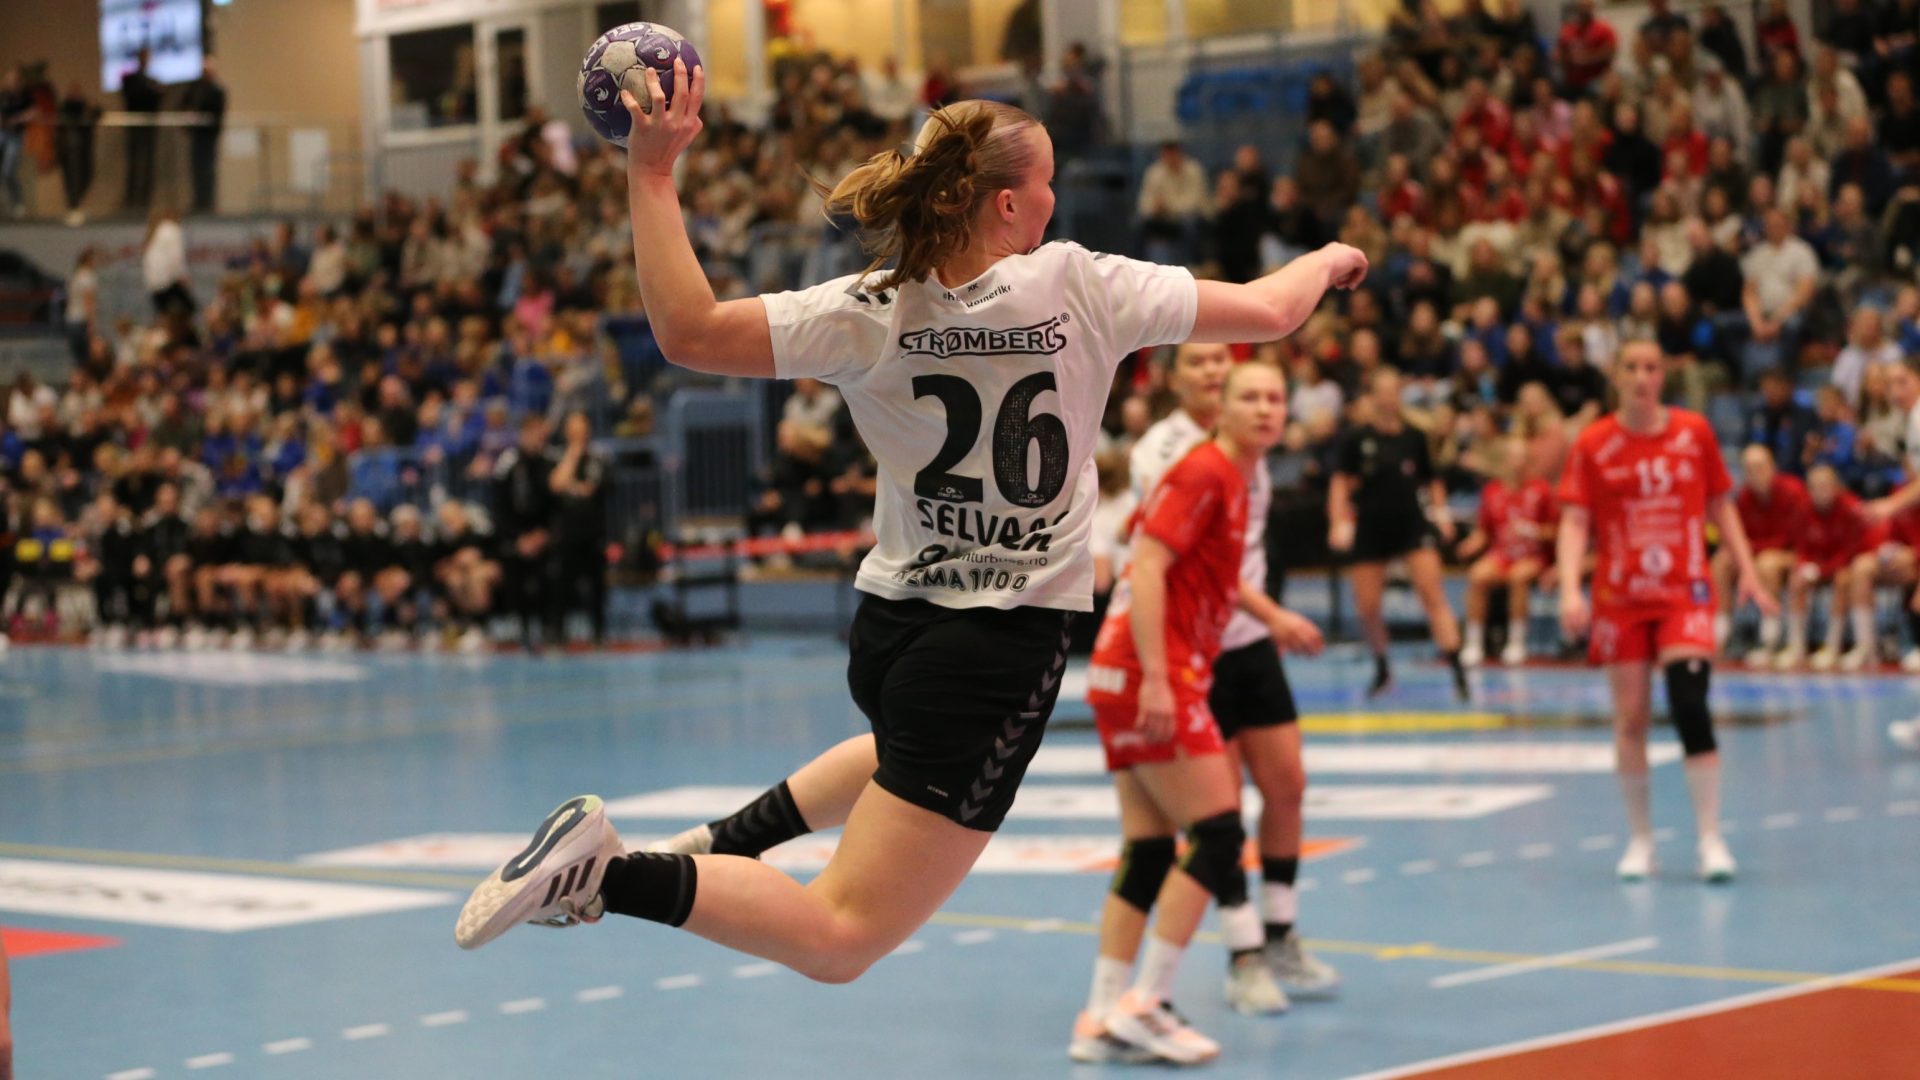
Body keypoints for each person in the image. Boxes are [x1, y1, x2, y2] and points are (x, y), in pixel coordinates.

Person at [452, 62, 1370, 999]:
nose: (1056, 199)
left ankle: (723, 841)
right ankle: (604, 874)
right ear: (1008, 205)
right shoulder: (1083, 284)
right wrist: (1329, 259)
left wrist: (651, 176)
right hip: (999, 642)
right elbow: (1271, 309)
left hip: (892, 626)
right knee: (840, 938)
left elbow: (688, 332)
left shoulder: (869, 305)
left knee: (900, 755)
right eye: (1047, 181)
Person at [1075, 362, 1293, 1064]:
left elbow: (1211, 575)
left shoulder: (1237, 478)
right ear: (1218, 407)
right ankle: (1148, 1003)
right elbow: (1147, 564)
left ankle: (1101, 1014)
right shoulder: (1205, 471)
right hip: (1150, 670)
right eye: (1249, 397)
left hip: (1124, 671)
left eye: (1275, 398)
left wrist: (1273, 617)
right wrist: (1160, 682)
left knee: (1148, 850)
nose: (1264, 409)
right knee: (1219, 833)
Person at [1118, 344, 1337, 1015]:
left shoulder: (1250, 454)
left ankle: (1279, 933)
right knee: (1217, 813)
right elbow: (1173, 559)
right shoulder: (1172, 454)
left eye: (1222, 360)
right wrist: (1271, 615)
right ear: (1175, 377)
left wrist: (1266, 619)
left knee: (1287, 783)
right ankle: (1242, 955)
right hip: (1193, 647)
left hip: (1244, 641)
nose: (1212, 371)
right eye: (1199, 362)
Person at [1557, 341, 1777, 884]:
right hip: (1620, 597)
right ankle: (1641, 841)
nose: (1642, 377)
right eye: (1631, 368)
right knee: (1631, 719)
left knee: (1690, 704)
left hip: (1684, 590)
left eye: (1652, 367)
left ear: (1663, 376)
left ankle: (1710, 839)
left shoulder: (1693, 432)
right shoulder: (1593, 443)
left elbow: (1721, 504)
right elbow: (1575, 521)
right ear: (1615, 375)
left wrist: (1747, 570)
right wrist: (1568, 589)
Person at [1328, 366, 1467, 699]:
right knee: (1367, 606)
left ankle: (1457, 668)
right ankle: (1381, 667)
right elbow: (1340, 483)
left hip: (1411, 524)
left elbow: (1432, 481)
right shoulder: (1356, 439)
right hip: (1370, 526)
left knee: (1432, 592)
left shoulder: (1414, 437)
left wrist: (1442, 516)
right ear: (1373, 395)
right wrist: (1338, 522)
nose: (1388, 398)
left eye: (1394, 391)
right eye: (1383, 391)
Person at [1458, 438, 1557, 667]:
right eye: (1513, 457)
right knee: (1477, 575)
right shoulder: (1492, 490)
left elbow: (1556, 531)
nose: (1517, 463)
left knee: (1518, 577)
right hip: (1501, 554)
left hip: (1533, 555)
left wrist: (1534, 531)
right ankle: (1473, 642)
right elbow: (1483, 532)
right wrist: (1468, 546)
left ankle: (1516, 642)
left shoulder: (1541, 490)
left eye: (1521, 457)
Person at [1716, 445, 1805, 665]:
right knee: (1722, 562)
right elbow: (1737, 537)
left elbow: (1792, 538)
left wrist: (1753, 549)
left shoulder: (1793, 491)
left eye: (1759, 467)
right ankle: (1719, 633)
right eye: (1748, 468)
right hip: (1759, 554)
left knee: (1768, 563)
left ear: (1772, 467)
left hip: (1795, 555)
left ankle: (1769, 640)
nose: (1754, 473)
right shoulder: (1744, 497)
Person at [1776, 464, 1870, 670]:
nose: (1821, 491)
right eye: (1816, 486)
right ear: (1809, 489)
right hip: (1816, 565)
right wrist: (1805, 567)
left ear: (1836, 486)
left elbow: (1852, 550)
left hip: (1843, 566)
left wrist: (1823, 570)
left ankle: (1831, 647)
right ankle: (1796, 647)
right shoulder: (1802, 508)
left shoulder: (1851, 507)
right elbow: (1800, 547)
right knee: (1797, 578)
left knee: (1843, 579)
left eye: (1826, 485)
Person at [550, 409, 610, 645]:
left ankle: (599, 633)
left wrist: (573, 487)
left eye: (581, 430)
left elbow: (593, 489)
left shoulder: (599, 457)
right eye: (573, 430)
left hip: (593, 531)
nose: (578, 434)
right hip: (566, 533)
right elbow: (556, 485)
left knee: (596, 585)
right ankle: (558, 633)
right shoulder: (557, 456)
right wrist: (572, 456)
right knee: (562, 585)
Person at [180, 58, 226, 214]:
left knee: (208, 169)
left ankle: (208, 202)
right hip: (197, 135)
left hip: (209, 136)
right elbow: (184, 104)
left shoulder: (217, 91)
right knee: (196, 169)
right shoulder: (195, 89)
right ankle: (199, 201)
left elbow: (217, 114)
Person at [121, 48, 162, 212]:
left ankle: (145, 201)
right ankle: (132, 201)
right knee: (134, 164)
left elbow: (157, 97)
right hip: (135, 126)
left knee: (149, 165)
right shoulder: (130, 79)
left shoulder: (152, 80)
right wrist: (149, 90)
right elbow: (134, 95)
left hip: (150, 126)